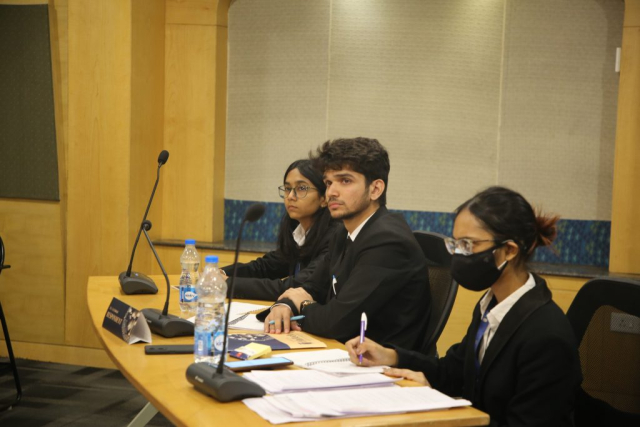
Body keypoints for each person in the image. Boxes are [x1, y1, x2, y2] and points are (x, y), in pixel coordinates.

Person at [346, 186, 581, 426]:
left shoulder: (546, 336)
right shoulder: (492, 304)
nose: (459, 255)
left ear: (509, 251)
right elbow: (454, 371)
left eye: (468, 245)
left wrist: (443, 410)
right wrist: (391, 356)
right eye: (456, 244)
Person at [264, 137, 431, 351]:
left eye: (345, 181)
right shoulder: (343, 231)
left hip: (378, 364)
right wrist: (285, 305)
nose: (331, 192)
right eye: (328, 183)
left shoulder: (388, 241)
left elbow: (336, 322)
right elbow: (313, 285)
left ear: (375, 189)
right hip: (342, 352)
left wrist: (301, 305)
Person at [221, 159, 336, 300]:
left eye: (301, 188)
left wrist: (227, 283)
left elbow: (295, 286)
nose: (291, 196)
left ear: (324, 198)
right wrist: (220, 273)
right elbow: (265, 267)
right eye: (287, 188)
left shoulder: (334, 237)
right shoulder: (299, 232)